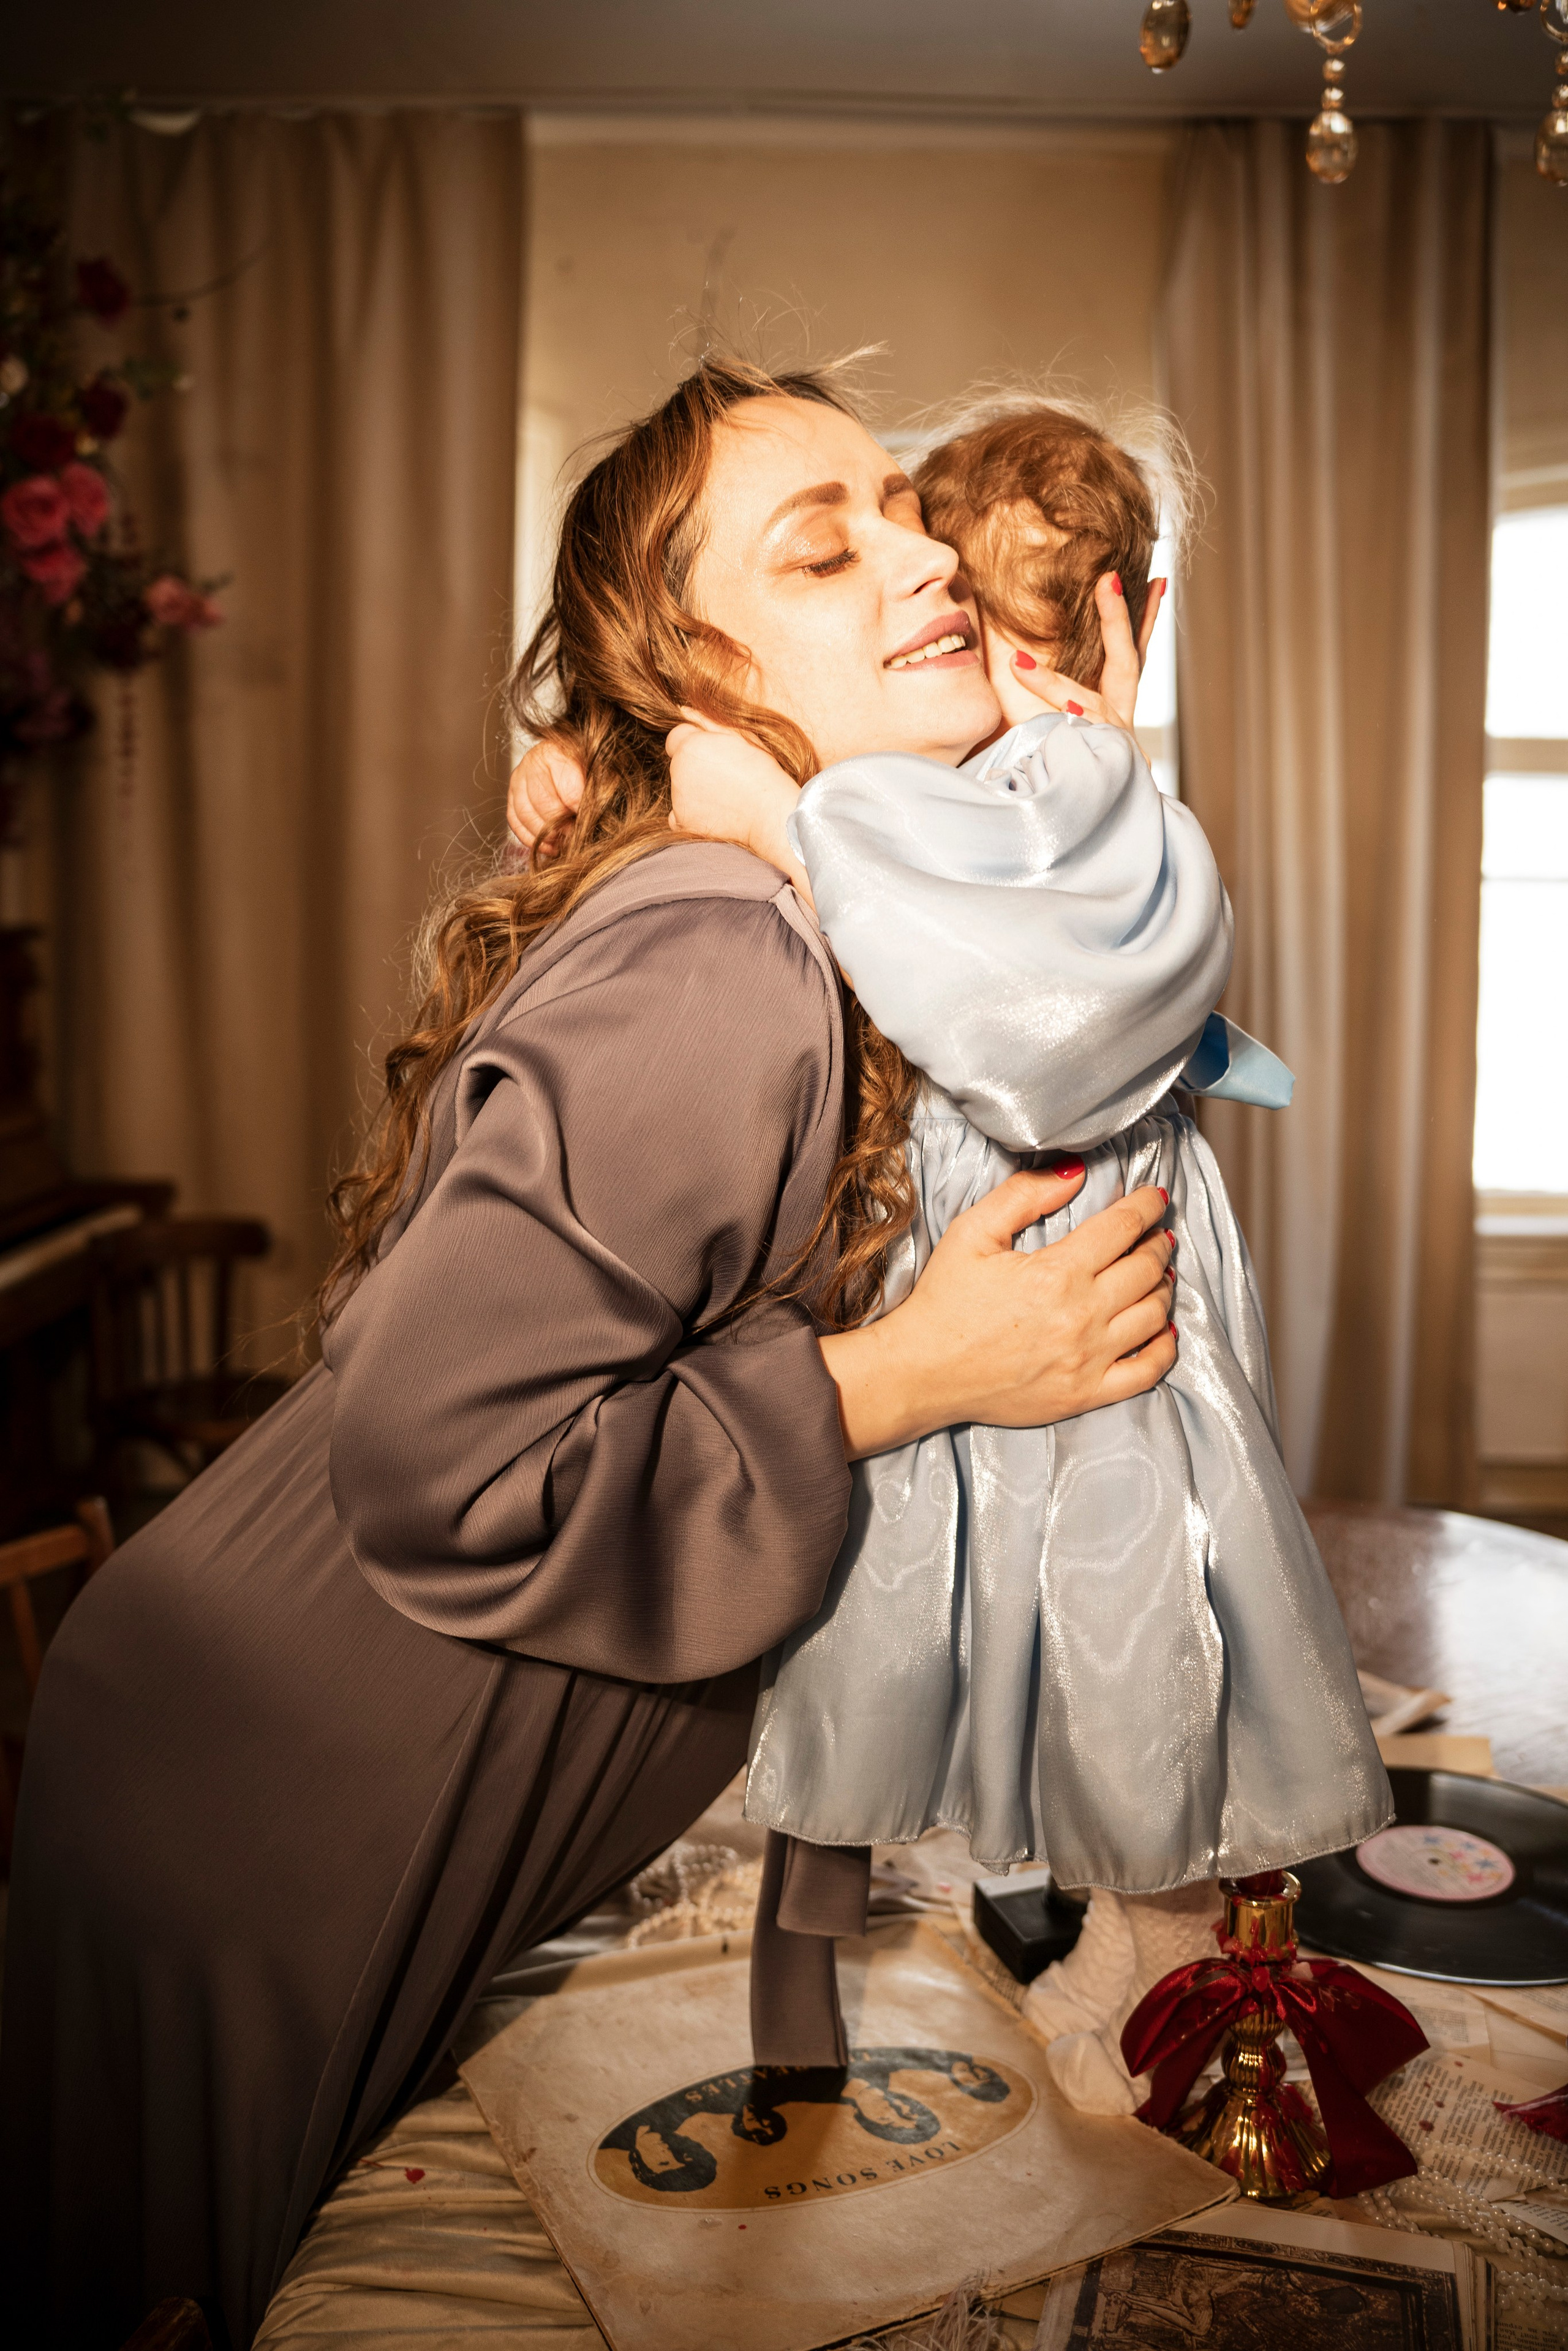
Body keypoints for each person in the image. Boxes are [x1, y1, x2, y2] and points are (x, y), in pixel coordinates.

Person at [0, 358, 1178, 2351]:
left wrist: (1078, 772)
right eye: (827, 548)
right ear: (695, 678)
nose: (923, 558)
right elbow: (459, 1469)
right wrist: (919, 1372)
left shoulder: (782, 911)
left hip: (249, 1705)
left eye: (903, 508)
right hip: (286, 1766)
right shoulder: (727, 947)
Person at [511, 391, 1389, 2074]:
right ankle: (833, 1985)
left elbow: (1080, 1016)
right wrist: (615, 782)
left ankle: (1144, 1949)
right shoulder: (876, 792)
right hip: (942, 1277)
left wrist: (1074, 764)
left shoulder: (1067, 789)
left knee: (1126, 1612)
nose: (980, 613)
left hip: (1081, 1261)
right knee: (872, 1631)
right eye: (982, 585)